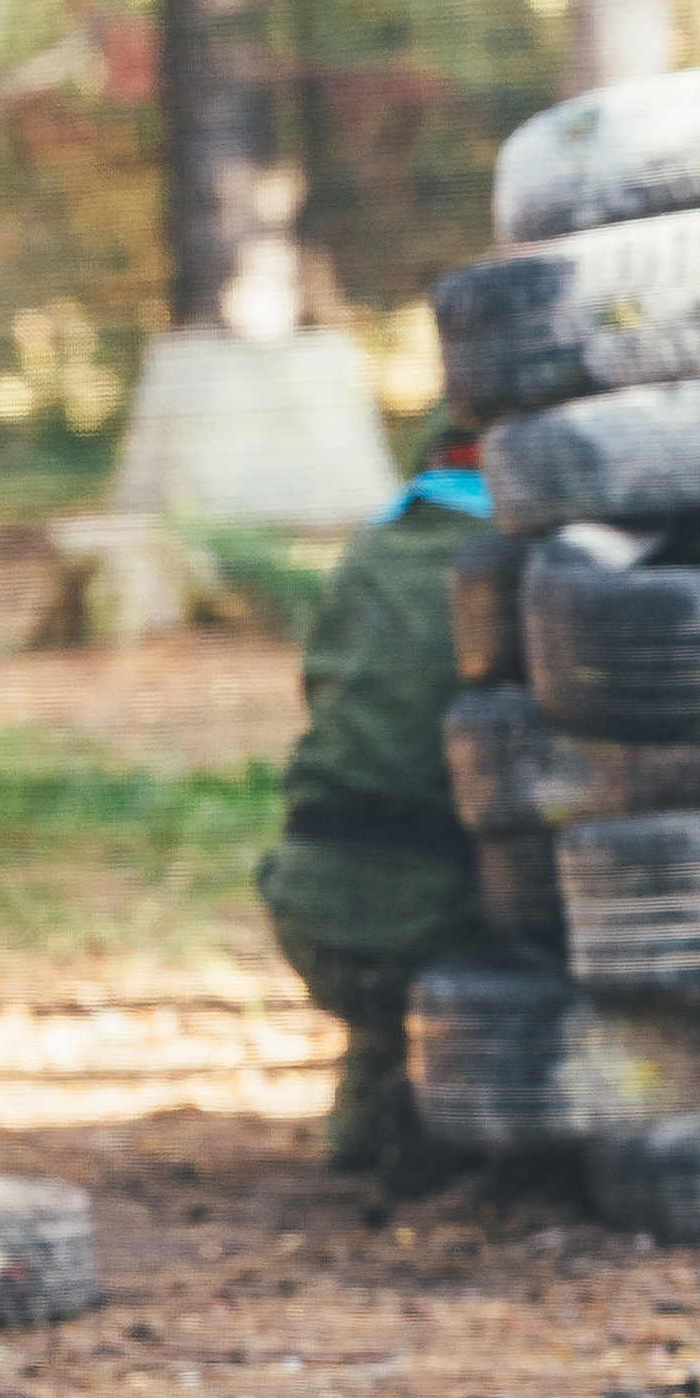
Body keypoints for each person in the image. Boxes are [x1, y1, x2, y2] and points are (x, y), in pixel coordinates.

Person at [257, 414, 498, 1176]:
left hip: (305, 899)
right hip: (437, 918)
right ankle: (479, 1138)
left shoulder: (367, 551)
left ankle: (369, 1122)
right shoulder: (522, 561)